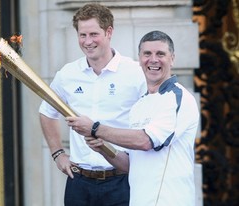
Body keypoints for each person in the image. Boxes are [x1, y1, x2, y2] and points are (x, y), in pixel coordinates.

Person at [39, 3, 147, 206]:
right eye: (82, 35)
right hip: (79, 182)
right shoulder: (68, 74)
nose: (87, 42)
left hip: (122, 181)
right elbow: (46, 111)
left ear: (109, 32)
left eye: (93, 34)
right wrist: (58, 154)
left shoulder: (135, 73)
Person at [79, 31, 199, 206]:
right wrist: (103, 148)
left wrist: (96, 128)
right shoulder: (139, 106)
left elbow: (146, 141)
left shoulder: (177, 97)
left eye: (160, 54)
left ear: (172, 58)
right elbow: (130, 165)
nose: (153, 60)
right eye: (147, 54)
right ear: (139, 59)